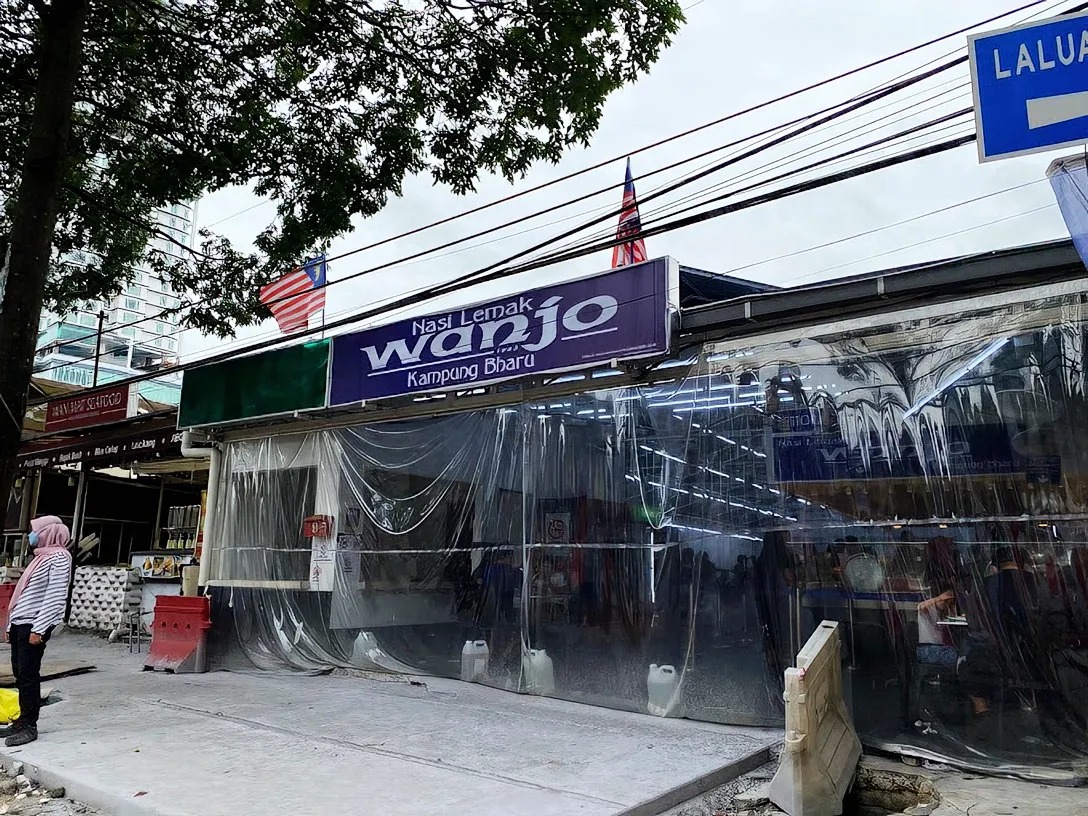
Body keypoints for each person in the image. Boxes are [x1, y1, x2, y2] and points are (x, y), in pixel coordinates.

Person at [1, 515, 73, 747]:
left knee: (29, 674)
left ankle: (30, 724)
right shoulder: (41, 557)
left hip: (34, 625)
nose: (32, 535)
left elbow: (54, 597)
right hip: (21, 623)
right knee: (20, 673)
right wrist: (11, 625)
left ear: (49, 532)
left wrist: (39, 629)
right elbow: (25, 595)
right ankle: (21, 719)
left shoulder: (60, 557)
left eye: (35, 531)